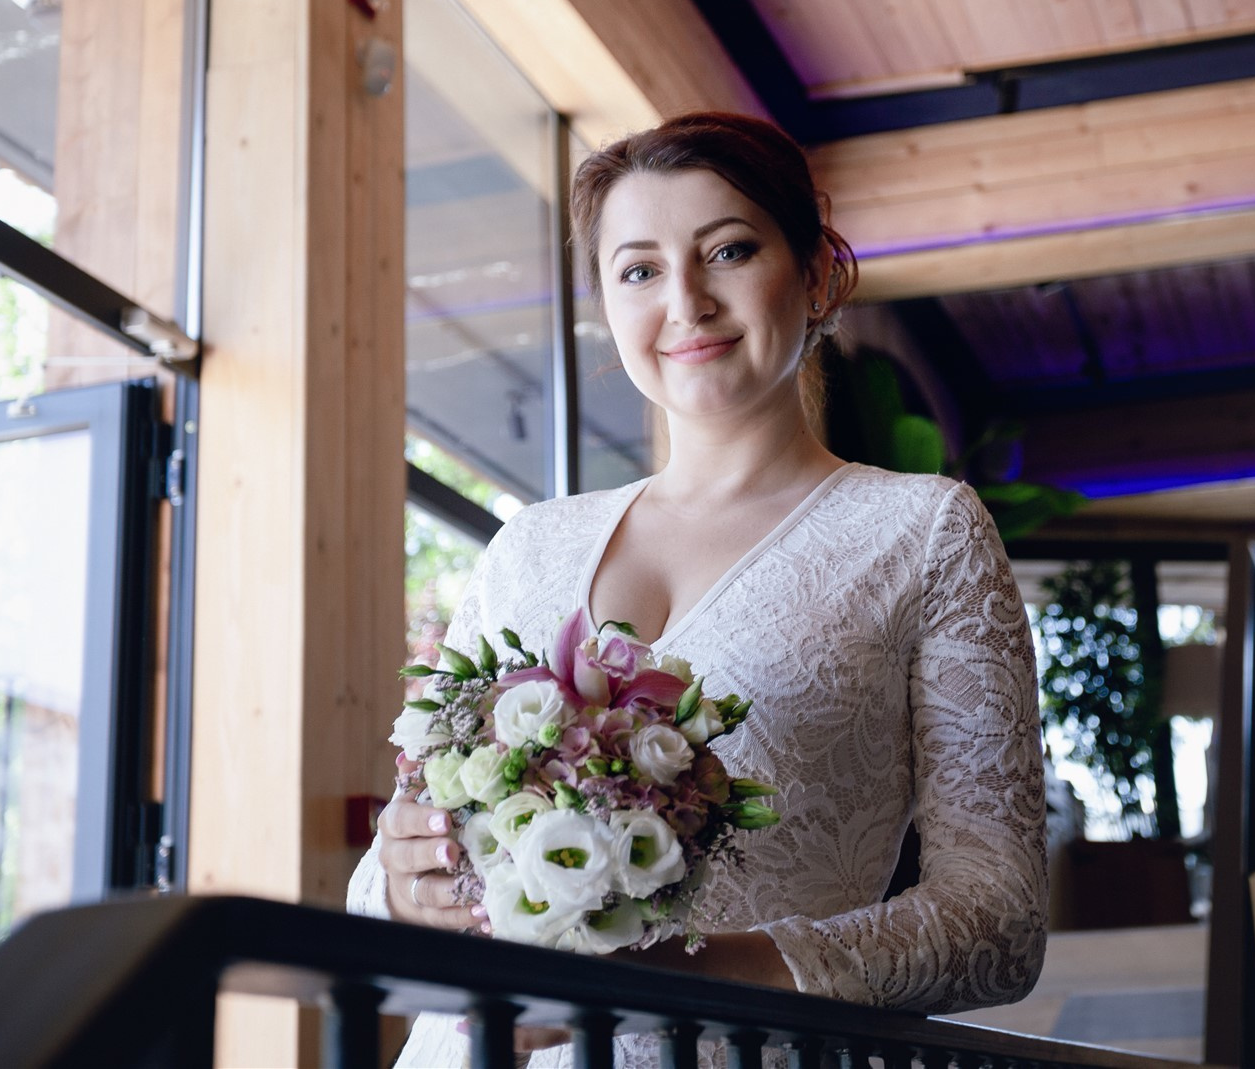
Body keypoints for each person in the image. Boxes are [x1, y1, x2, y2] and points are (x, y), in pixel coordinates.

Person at [347, 112, 1048, 1067]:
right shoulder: (527, 544)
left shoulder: (923, 531)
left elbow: (998, 921)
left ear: (814, 275)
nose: (685, 299)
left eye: (727, 250)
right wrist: (398, 880)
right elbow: (393, 872)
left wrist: (686, 976)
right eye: (639, 268)